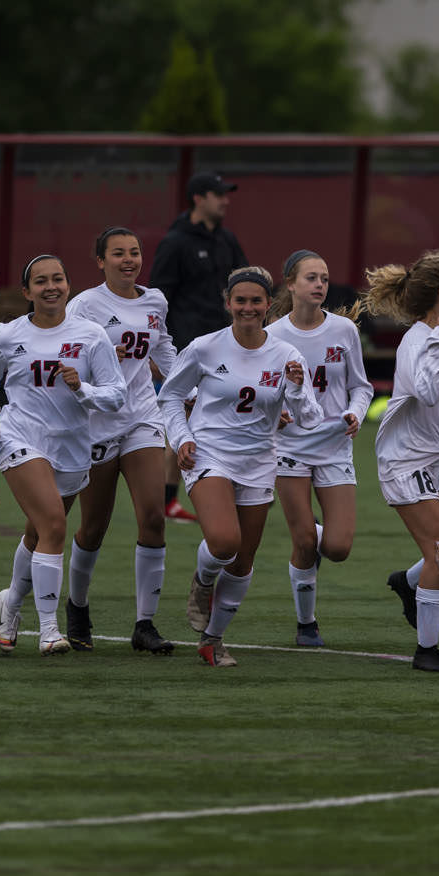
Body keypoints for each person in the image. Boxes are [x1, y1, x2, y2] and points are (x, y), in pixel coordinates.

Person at [0, 256, 126, 657]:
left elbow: (116, 394)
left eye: (58, 279)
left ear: (68, 285)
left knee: (37, 535)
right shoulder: (8, 335)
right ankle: (49, 630)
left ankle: (11, 603)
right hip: (21, 436)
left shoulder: (91, 335)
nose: (50, 287)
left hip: (72, 446)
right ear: (27, 291)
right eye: (41, 281)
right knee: (53, 524)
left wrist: (83, 388)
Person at [159, 267, 318, 668]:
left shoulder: (287, 356)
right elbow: (171, 396)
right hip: (210, 454)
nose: (248, 308)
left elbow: (309, 417)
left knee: (244, 559)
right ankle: (203, 579)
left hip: (261, 460)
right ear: (228, 303)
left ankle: (213, 639)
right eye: (240, 300)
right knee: (225, 542)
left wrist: (296, 389)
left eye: (256, 301)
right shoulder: (204, 347)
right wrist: (183, 439)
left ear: (268, 305)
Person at [360, 252, 439, 674]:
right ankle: (426, 650)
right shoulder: (421, 339)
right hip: (405, 461)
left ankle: (407, 583)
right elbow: (426, 390)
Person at [66, 226, 180, 655]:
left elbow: (163, 347)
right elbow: (64, 357)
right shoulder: (85, 305)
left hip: (142, 419)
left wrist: (187, 384)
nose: (128, 260)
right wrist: (95, 362)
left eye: (134, 252)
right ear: (100, 261)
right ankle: (77, 608)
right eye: (118, 254)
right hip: (95, 422)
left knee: (153, 516)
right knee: (93, 527)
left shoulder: (155, 301)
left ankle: (145, 624)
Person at [266, 249, 374, 649]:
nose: (319, 285)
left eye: (324, 279)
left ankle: (311, 536)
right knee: (305, 544)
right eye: (311, 278)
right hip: (289, 447)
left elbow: (361, 386)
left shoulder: (343, 330)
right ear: (290, 284)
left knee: (338, 548)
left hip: (334, 445)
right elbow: (265, 390)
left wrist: (355, 413)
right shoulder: (273, 335)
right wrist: (274, 414)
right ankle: (306, 623)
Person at [150, 171, 249, 525]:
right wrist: (157, 351)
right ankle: (167, 499)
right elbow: (158, 300)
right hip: (186, 348)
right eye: (218, 194)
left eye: (225, 194)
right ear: (198, 198)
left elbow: (246, 284)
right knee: (184, 417)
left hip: (228, 345)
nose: (225, 200)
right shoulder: (175, 242)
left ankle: (238, 484)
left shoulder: (227, 240)